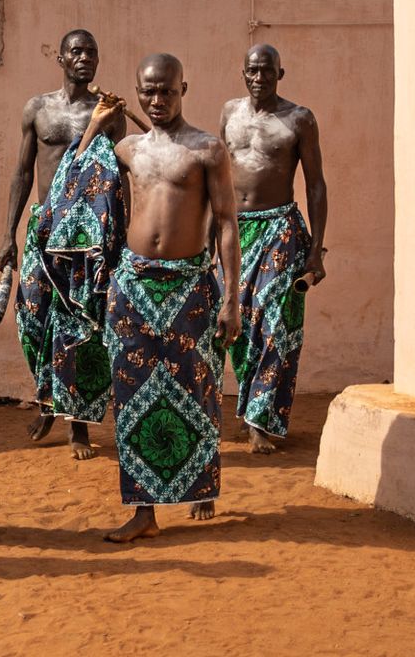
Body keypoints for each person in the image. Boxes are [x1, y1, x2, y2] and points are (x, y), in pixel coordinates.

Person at [91, 54, 240, 543]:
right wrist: (96, 127)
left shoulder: (207, 150)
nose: (157, 101)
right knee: (133, 397)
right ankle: (143, 512)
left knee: (197, 391)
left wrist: (232, 297)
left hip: (189, 286)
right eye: (148, 92)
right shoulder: (127, 148)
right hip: (133, 284)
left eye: (167, 91)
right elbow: (79, 185)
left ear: (184, 88)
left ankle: (202, 486)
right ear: (138, 91)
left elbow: (225, 224)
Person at [0, 28, 127, 459]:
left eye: (92, 51)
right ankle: (49, 399)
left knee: (82, 328)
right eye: (76, 51)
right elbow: (21, 173)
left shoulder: (107, 111)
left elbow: (116, 175)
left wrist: (118, 238)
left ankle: (79, 426)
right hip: (43, 230)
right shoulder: (38, 108)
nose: (84, 57)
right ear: (62, 59)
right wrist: (8, 233)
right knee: (32, 320)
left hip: (86, 240)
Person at [219, 44, 328, 453]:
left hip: (280, 229)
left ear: (281, 73)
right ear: (243, 73)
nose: (259, 78)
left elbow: (316, 184)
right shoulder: (230, 113)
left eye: (267, 71)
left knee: (274, 325)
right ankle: (248, 411)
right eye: (252, 71)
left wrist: (316, 250)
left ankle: (260, 421)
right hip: (235, 230)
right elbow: (218, 175)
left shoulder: (299, 119)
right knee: (237, 325)